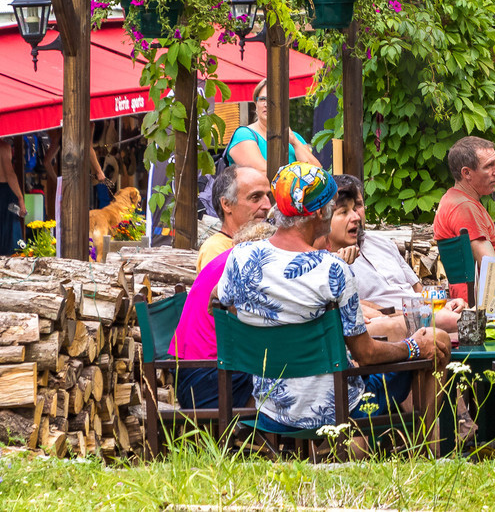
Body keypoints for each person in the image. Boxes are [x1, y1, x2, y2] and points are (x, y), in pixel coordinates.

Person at [217, 163, 450, 448]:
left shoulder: (240, 256)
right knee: (436, 340)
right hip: (338, 409)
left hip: (271, 408)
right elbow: (366, 354)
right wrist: (414, 347)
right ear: (319, 213)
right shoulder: (333, 269)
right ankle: (424, 452)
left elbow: (219, 302)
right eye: (332, 205)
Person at [322, 176, 463, 336]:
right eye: (344, 211)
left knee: (468, 314)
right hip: (393, 325)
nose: (356, 216)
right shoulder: (327, 262)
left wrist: (447, 304)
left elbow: (418, 290)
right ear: (325, 218)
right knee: (458, 323)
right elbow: (358, 309)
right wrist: (422, 314)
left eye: (357, 206)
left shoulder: (382, 243)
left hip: (423, 316)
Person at [170, 219, 274, 409]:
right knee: (286, 369)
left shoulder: (227, 259)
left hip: (190, 373)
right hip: (208, 378)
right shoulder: (244, 266)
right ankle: (257, 426)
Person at [432, 135, 495, 298]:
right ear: (466, 173)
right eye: (489, 166)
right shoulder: (464, 207)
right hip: (477, 305)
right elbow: (491, 269)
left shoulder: (455, 198)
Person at [221, 80, 316, 172]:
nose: (266, 104)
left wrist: (295, 142)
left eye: (273, 99)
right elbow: (262, 173)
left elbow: (318, 174)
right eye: (262, 99)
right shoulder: (244, 134)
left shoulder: (295, 137)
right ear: (256, 104)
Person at [196, 164, 273, 270]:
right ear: (227, 204)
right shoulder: (216, 249)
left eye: (268, 196)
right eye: (255, 197)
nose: (268, 206)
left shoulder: (264, 243)